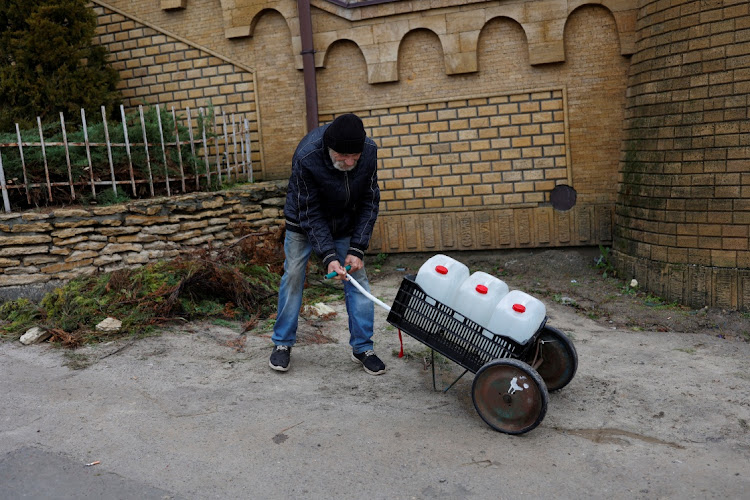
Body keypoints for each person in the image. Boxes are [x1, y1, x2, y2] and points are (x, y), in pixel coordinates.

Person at [269, 113, 384, 375]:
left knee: (357, 279)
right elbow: (310, 212)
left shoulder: (369, 151)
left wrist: (356, 249)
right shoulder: (307, 156)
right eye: (344, 156)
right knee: (294, 276)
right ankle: (282, 344)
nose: (351, 162)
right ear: (330, 149)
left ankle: (363, 348)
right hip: (303, 222)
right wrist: (329, 256)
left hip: (345, 222)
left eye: (355, 156)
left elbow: (370, 200)